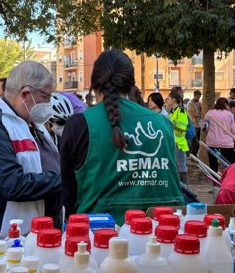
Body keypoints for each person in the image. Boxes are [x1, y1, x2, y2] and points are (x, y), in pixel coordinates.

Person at [60, 50, 184, 226]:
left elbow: (68, 192)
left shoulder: (80, 124)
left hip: (99, 238)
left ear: (94, 86)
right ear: (131, 84)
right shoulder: (163, 122)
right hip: (161, 234)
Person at [0, 61, 61, 256]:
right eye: (45, 96)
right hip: (8, 241)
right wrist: (63, 180)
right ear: (25, 94)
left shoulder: (35, 125)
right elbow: (11, 183)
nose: (49, 104)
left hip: (42, 235)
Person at [203, 97, 235, 172]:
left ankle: (215, 181)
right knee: (228, 163)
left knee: (213, 162)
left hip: (212, 142)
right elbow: (233, 130)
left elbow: (204, 128)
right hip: (227, 143)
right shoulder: (229, 114)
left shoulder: (209, 113)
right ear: (226, 105)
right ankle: (227, 180)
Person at [166, 92, 189, 185]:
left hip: (179, 143)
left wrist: (170, 124)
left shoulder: (181, 111)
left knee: (181, 166)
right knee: (176, 166)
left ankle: (185, 187)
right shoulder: (172, 111)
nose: (166, 100)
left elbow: (182, 127)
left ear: (174, 99)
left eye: (168, 98)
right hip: (173, 142)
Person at [187, 90, 202, 156]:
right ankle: (193, 154)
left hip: (199, 124)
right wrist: (201, 115)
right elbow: (193, 115)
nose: (198, 98)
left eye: (200, 97)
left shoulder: (199, 103)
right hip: (193, 124)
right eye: (198, 97)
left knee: (198, 141)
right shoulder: (190, 104)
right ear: (194, 95)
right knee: (194, 141)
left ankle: (195, 154)